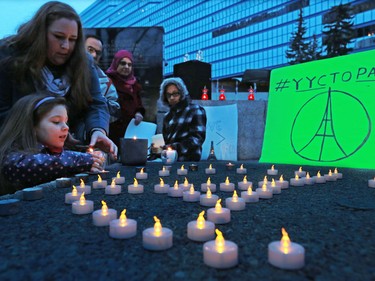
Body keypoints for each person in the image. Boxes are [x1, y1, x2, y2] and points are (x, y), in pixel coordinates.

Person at [0, 1, 117, 160]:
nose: (66, 46)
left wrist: (98, 130)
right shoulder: (8, 56)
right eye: (59, 37)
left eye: (73, 39)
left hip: (63, 155)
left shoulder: (84, 62)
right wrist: (40, 130)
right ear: (39, 33)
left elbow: (96, 102)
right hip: (15, 157)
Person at [0, 94, 105, 195]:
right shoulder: (14, 156)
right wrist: (82, 160)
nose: (66, 127)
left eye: (66, 122)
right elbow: (29, 165)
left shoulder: (64, 151)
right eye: (56, 121)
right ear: (32, 126)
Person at [156, 77, 207, 161]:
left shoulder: (195, 110)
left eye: (175, 94)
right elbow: (165, 141)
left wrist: (171, 148)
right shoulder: (167, 116)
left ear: (182, 93)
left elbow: (196, 140)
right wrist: (157, 149)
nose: (172, 98)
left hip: (188, 161)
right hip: (168, 161)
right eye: (168, 95)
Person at [105, 50, 145, 147]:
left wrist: (139, 113)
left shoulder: (134, 86)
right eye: (123, 63)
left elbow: (138, 105)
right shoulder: (107, 81)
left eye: (129, 64)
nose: (126, 67)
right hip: (113, 132)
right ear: (116, 64)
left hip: (131, 131)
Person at [85, 34, 120, 123]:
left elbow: (114, 114)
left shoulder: (107, 83)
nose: (93, 55)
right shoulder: (64, 75)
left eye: (98, 52)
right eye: (90, 50)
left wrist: (97, 103)